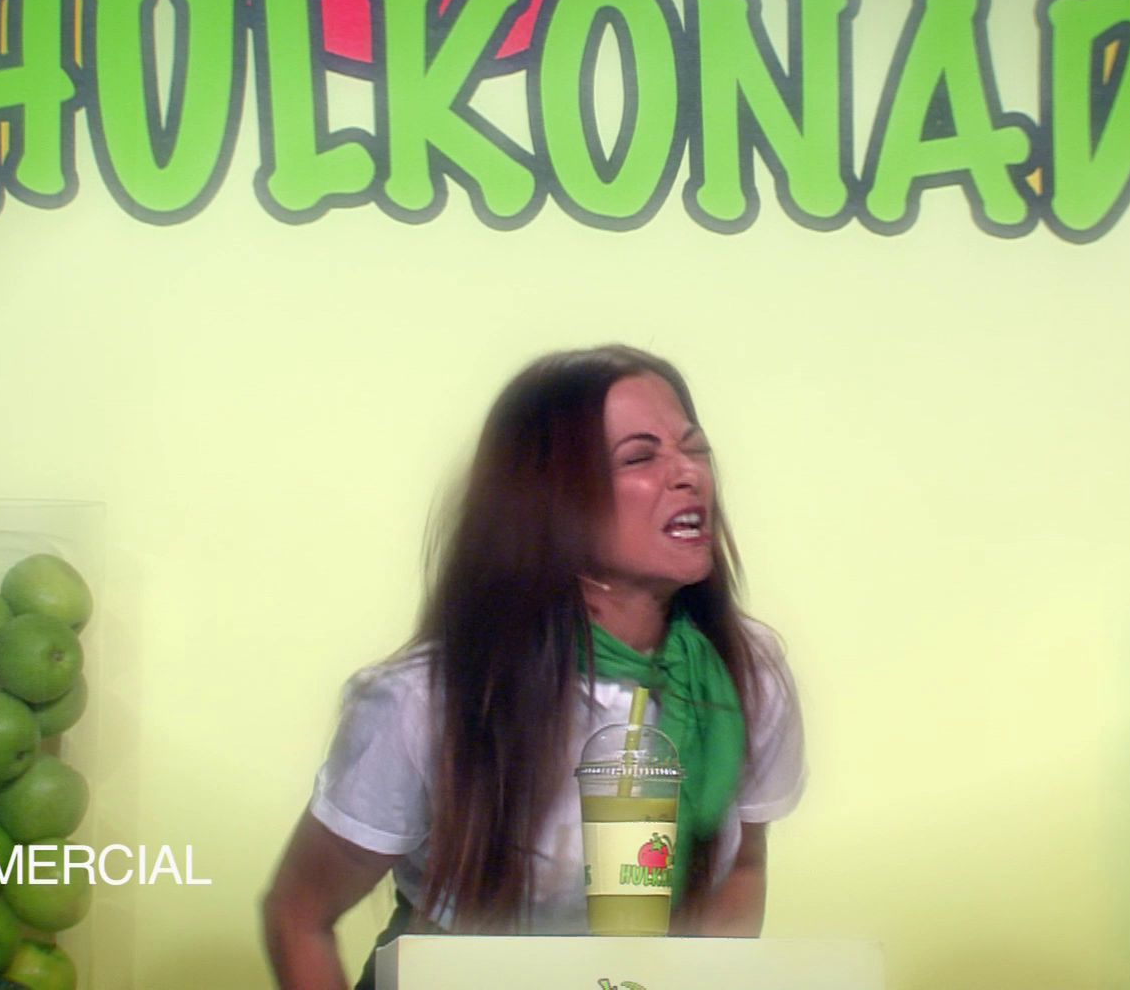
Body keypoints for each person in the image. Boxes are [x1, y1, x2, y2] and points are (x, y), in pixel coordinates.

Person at [262, 345, 806, 990]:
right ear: (549, 500)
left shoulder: (747, 672)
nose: (688, 474)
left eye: (695, 449)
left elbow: (742, 864)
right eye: (640, 457)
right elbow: (299, 913)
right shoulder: (427, 701)